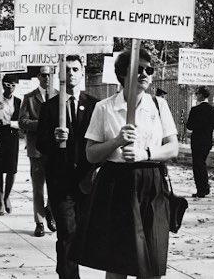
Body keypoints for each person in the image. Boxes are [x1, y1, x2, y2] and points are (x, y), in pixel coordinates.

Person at [73, 49, 178, 279]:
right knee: (118, 262)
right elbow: (91, 154)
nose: (144, 74)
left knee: (151, 260)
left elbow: (173, 148)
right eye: (137, 69)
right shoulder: (104, 108)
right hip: (116, 185)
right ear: (122, 74)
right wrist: (117, 141)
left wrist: (145, 153)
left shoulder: (159, 105)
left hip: (151, 186)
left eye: (148, 70)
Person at [36, 55, 98, 279]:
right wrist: (54, 137)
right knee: (67, 232)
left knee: (81, 234)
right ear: (60, 75)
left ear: (82, 73)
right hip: (60, 182)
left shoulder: (94, 105)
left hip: (86, 180)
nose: (70, 73)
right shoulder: (50, 107)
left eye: (75, 69)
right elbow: (41, 144)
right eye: (66, 70)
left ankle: (66, 268)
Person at [19, 66, 57, 237]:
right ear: (38, 77)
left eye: (50, 74)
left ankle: (50, 211)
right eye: (43, 75)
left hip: (56, 150)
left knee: (55, 186)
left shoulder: (60, 95)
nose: (47, 78)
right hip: (36, 150)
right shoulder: (29, 98)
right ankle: (39, 222)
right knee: (38, 188)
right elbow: (22, 122)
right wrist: (42, 124)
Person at [0, 74, 21, 215]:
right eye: (7, 85)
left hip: (12, 137)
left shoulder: (19, 102)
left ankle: (7, 197)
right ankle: (0, 201)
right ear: (2, 85)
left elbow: (23, 122)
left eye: (13, 85)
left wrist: (10, 123)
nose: (10, 88)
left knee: (12, 170)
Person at [186, 86, 214, 198]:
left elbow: (189, 125)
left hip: (196, 140)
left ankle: (201, 189)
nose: (196, 96)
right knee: (202, 163)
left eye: (197, 94)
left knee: (197, 165)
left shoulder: (195, 110)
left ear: (200, 95)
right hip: (207, 140)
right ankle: (205, 187)